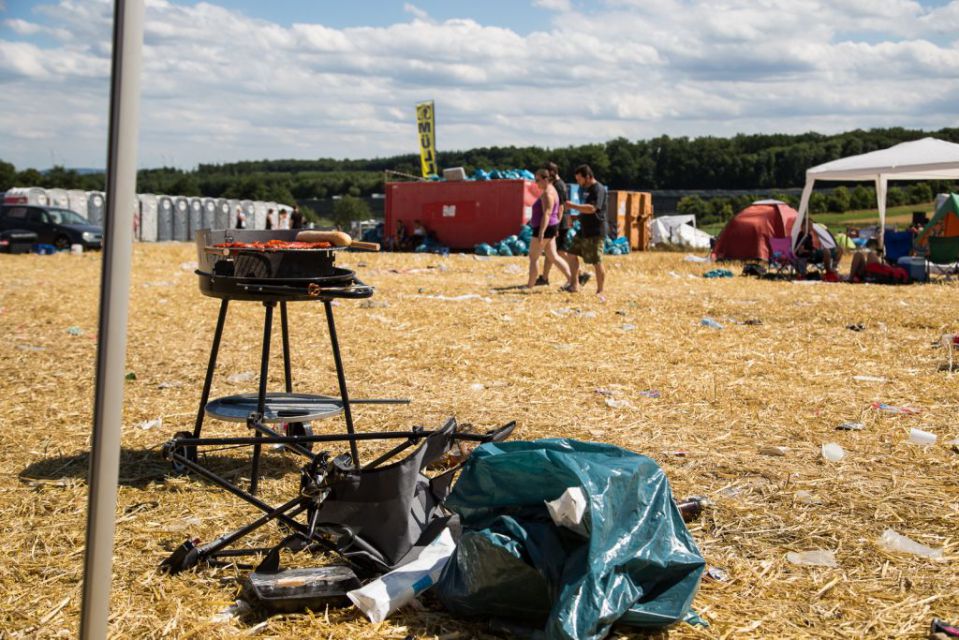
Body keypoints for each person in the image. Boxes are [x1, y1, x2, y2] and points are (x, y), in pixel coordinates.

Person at [564, 164, 607, 296]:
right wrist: (576, 217)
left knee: (596, 261)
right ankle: (574, 284)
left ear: (588, 177)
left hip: (595, 231)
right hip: (584, 230)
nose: (578, 182)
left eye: (579, 179)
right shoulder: (586, 189)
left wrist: (572, 205)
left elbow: (592, 208)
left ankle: (600, 291)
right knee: (571, 254)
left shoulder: (598, 189)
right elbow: (586, 210)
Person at [526, 169, 571, 289]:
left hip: (545, 227)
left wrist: (541, 232)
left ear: (546, 179)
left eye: (538, 180)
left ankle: (530, 285)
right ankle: (572, 280)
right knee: (553, 256)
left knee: (533, 256)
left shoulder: (548, 193)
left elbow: (547, 213)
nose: (536, 183)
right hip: (550, 226)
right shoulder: (551, 190)